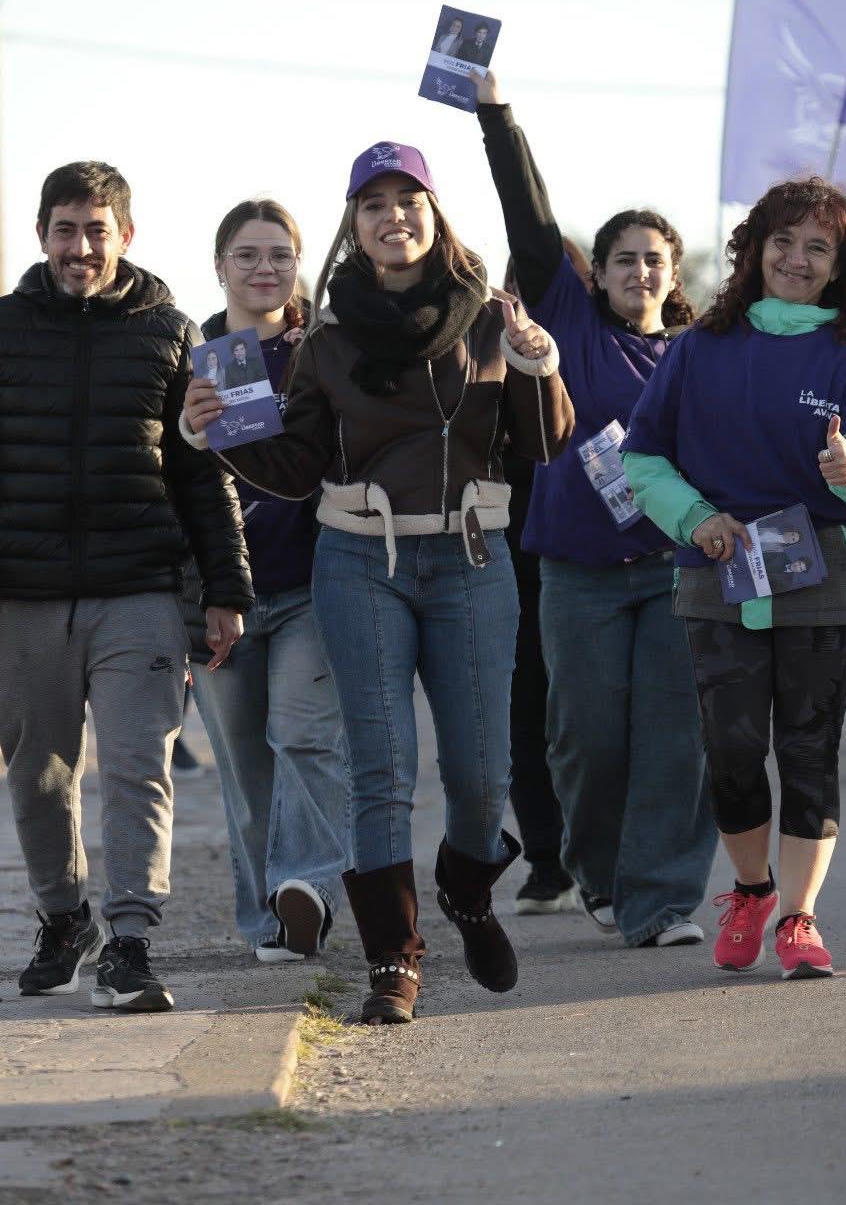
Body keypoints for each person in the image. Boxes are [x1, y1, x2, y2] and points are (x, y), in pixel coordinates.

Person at [182, 141, 574, 1024]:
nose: (393, 215)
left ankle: (466, 894)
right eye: (373, 204)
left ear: (435, 216)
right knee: (380, 768)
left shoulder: (489, 318)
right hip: (359, 561)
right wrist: (218, 435)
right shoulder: (326, 335)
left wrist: (538, 364)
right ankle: (391, 959)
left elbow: (544, 446)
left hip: (472, 559)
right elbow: (295, 463)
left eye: (409, 200)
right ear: (353, 227)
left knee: (479, 775)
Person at [0, 161, 253, 1012]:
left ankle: (133, 944)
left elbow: (203, 475)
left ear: (126, 237)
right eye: (66, 230)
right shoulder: (4, 329)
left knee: (141, 769)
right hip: (24, 595)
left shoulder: (173, 335)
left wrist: (226, 589)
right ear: (42, 235)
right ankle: (64, 918)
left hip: (139, 589)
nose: (81, 247)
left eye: (96, 230)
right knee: (39, 773)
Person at [473, 71, 717, 948]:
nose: (640, 270)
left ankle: (661, 901)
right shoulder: (571, 327)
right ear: (599, 274)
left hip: (675, 575)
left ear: (671, 271)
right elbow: (529, 220)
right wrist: (496, 116)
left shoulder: (697, 355)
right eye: (624, 258)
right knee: (585, 743)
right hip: (574, 577)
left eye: (655, 258)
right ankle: (599, 872)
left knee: (673, 743)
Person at [623, 176, 846, 979]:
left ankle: (796, 918)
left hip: (821, 574)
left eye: (816, 247)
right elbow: (641, 456)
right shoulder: (698, 348)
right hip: (716, 569)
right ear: (752, 250)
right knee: (728, 748)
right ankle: (749, 891)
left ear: (837, 265)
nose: (796, 259)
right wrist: (695, 518)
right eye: (781, 242)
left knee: (808, 749)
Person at [185, 198, 350, 961]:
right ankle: (268, 921)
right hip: (222, 593)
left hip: (316, 581)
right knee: (247, 768)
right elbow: (169, 476)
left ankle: (307, 887)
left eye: (279, 254)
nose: (264, 268)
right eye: (247, 255)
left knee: (306, 737)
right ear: (219, 265)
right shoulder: (189, 354)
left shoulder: (325, 346)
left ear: (299, 263)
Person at [502, 246, 588, 916]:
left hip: (585, 562)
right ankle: (545, 861)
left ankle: (596, 857)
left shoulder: (595, 356)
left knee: (584, 721)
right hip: (505, 564)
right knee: (523, 719)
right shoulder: (486, 361)